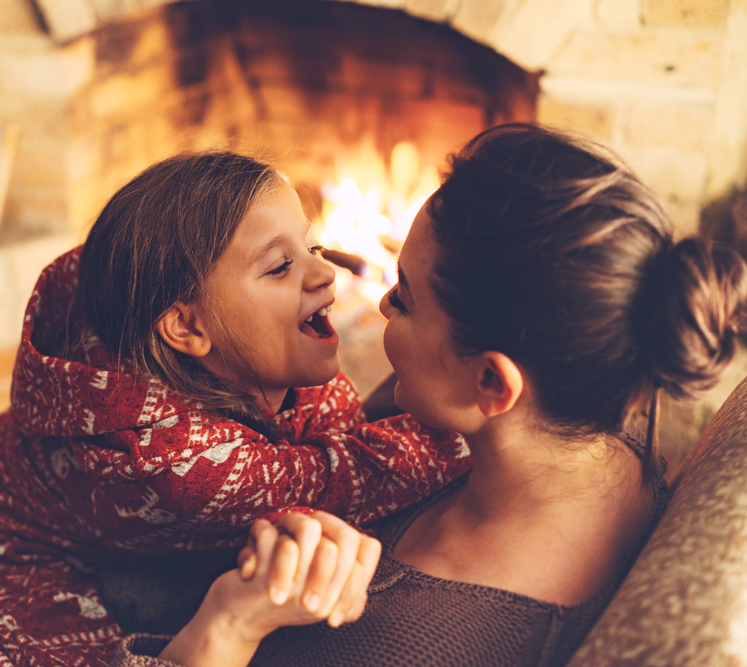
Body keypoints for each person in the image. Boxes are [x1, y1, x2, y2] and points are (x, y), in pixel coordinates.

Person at [0, 152, 470, 667]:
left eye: (311, 246)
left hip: (38, 497)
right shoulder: (169, 462)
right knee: (58, 653)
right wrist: (465, 426)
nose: (327, 273)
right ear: (185, 327)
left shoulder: (241, 355)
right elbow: (341, 475)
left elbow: (331, 434)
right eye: (281, 267)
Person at [109, 123, 747, 667]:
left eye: (405, 299)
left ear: (492, 382)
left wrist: (231, 623)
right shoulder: (609, 394)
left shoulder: (411, 644)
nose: (380, 305)